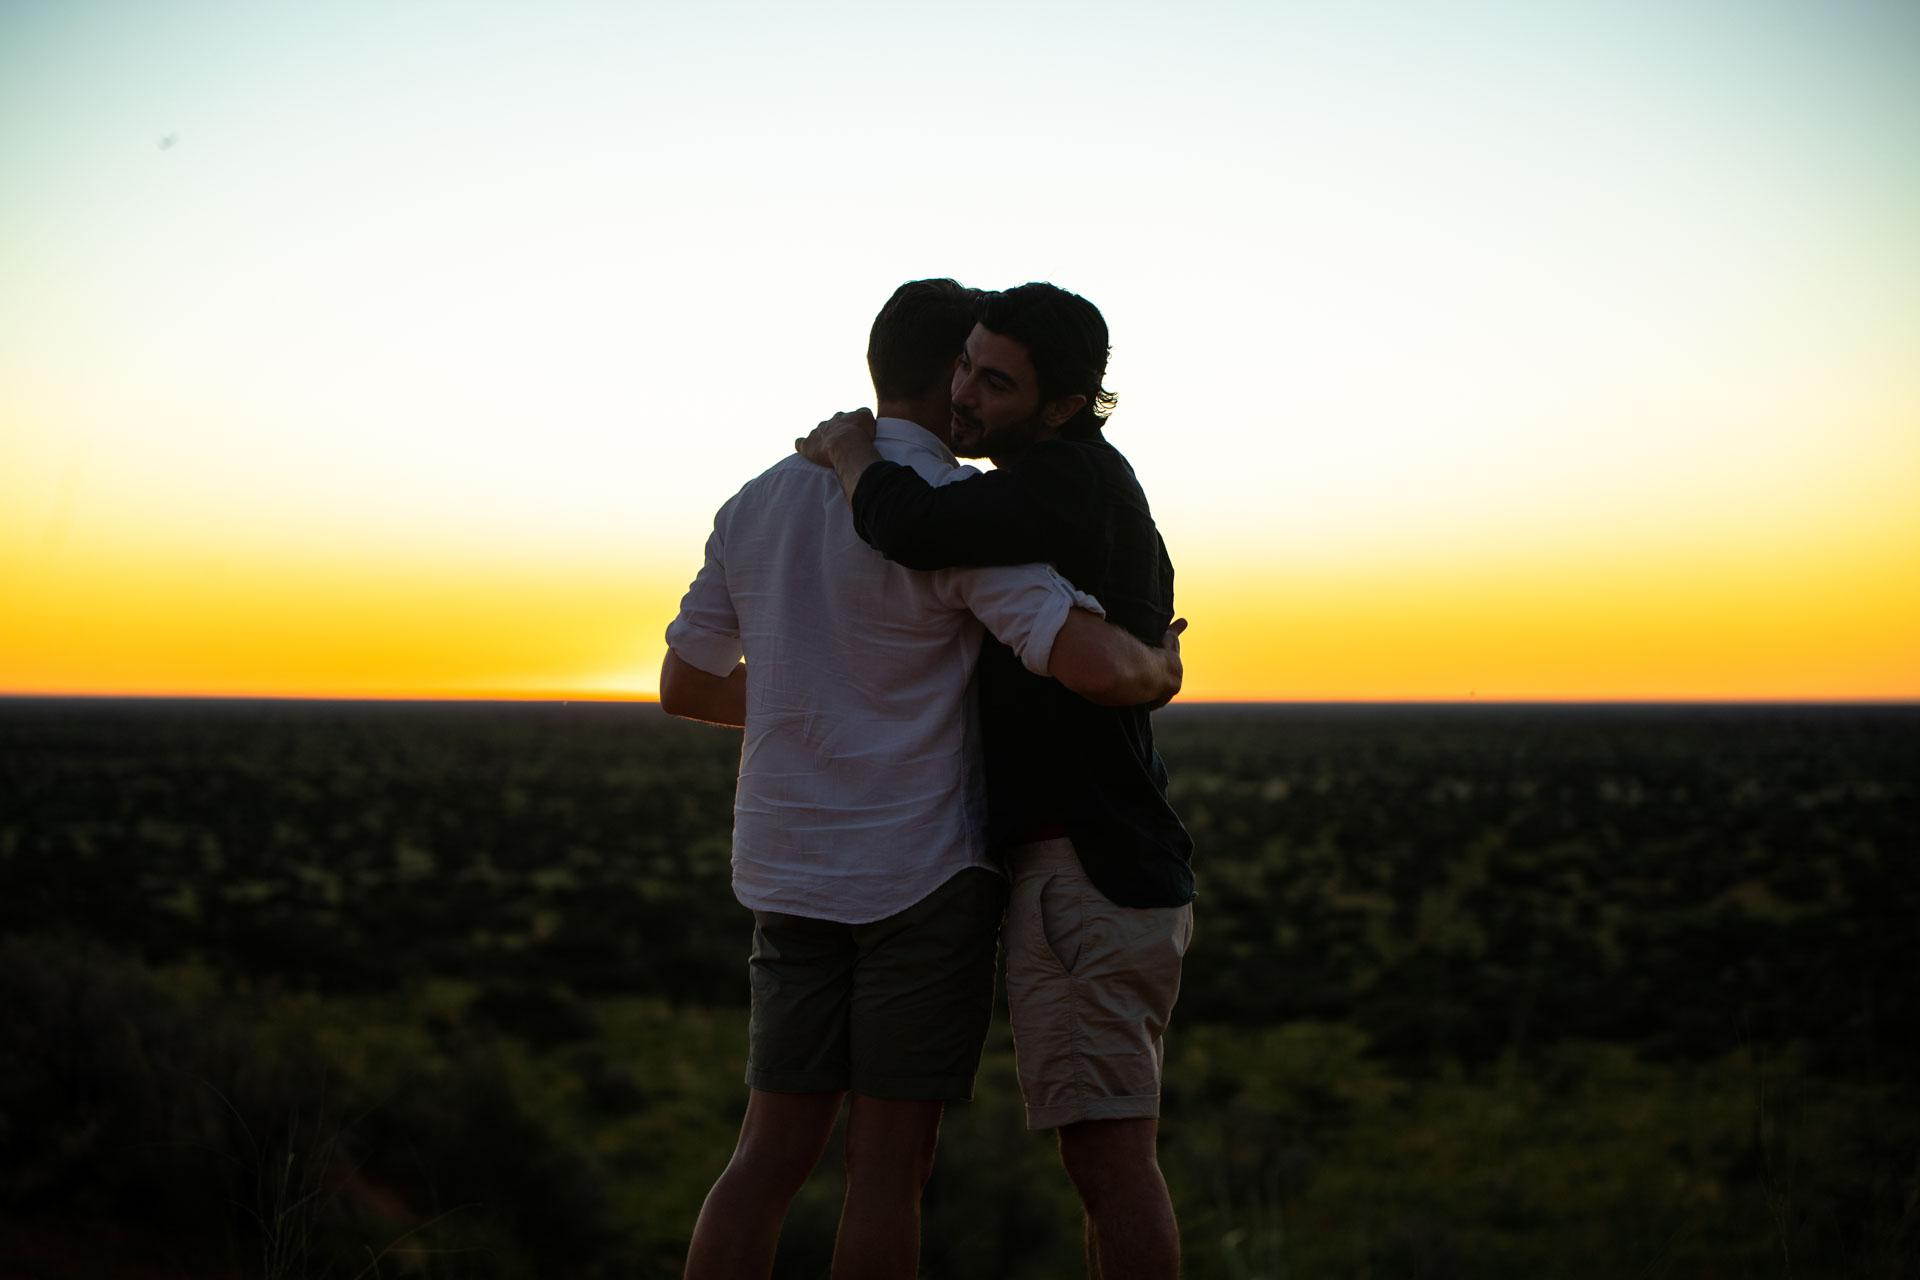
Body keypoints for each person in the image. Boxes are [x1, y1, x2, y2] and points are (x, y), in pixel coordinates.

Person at [659, 278, 1185, 1280]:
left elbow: (685, 682)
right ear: (953, 376)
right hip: (920, 875)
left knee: (766, 1154)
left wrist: (799, 700)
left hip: (786, 868)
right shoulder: (960, 517)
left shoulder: (756, 502)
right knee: (887, 1168)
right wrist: (1159, 665)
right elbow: (1091, 661)